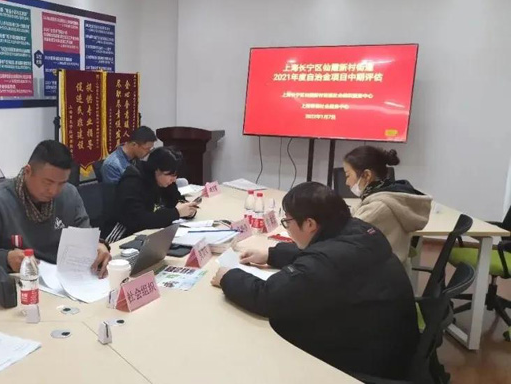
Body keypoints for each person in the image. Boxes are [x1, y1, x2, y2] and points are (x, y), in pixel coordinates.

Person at [211, 182, 419, 380]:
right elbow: (323, 252)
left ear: (310, 223)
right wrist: (272, 254)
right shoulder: (359, 230)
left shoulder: (326, 262)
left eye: (288, 222)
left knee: (271, 331)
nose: (287, 227)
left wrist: (228, 277)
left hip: (366, 361)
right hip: (390, 343)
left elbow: (268, 297)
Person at [0, 140, 111, 278]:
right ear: (28, 171)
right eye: (48, 182)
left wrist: (98, 247)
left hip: (63, 280)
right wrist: (6, 259)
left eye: (61, 183)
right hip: (22, 283)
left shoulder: (69, 194)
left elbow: (85, 237)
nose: (54, 191)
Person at [343, 146, 431, 265]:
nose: (346, 182)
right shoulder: (386, 196)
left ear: (367, 175)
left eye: (348, 175)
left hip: (379, 272)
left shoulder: (378, 207)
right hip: (395, 267)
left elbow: (346, 238)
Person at [101, 147, 198, 243]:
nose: (174, 179)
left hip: (150, 235)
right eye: (171, 175)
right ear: (156, 170)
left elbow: (177, 201)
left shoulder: (165, 181)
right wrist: (176, 213)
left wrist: (189, 210)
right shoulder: (133, 181)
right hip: (122, 236)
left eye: (176, 175)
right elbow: (139, 220)